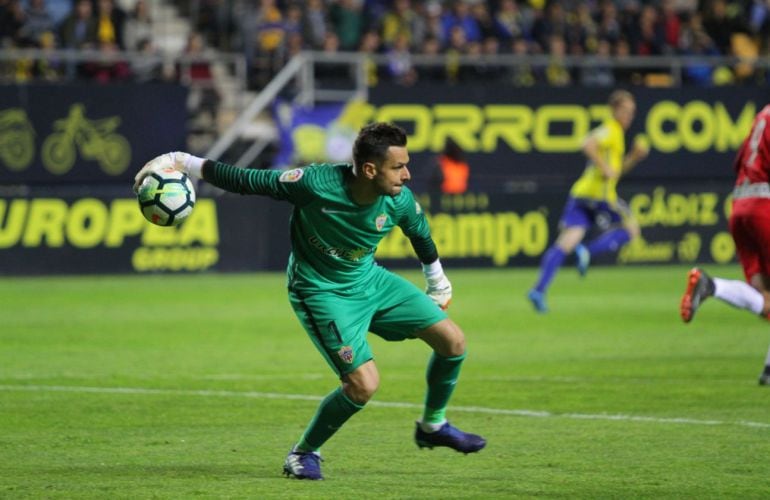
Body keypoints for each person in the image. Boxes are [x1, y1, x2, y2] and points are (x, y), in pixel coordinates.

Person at [133, 122, 486, 480]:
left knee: (453, 341)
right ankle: (303, 452)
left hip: (368, 280)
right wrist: (180, 160)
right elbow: (247, 180)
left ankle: (433, 425)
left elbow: (420, 235)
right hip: (320, 290)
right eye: (398, 167)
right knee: (363, 385)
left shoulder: (398, 200)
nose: (407, 175)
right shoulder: (315, 184)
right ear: (369, 169)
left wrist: (437, 282)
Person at [528, 90, 649, 313]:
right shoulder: (611, 129)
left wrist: (633, 156)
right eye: (625, 111)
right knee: (632, 229)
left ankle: (539, 290)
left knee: (566, 242)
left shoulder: (617, 134)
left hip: (581, 193)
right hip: (600, 196)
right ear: (614, 110)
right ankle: (589, 252)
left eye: (631, 112)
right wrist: (605, 168)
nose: (629, 116)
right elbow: (587, 144)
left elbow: (616, 171)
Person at [680, 104, 770, 386]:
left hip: (740, 206)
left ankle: (712, 286)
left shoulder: (763, 114)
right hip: (766, 207)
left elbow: (738, 161)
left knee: (764, 295)